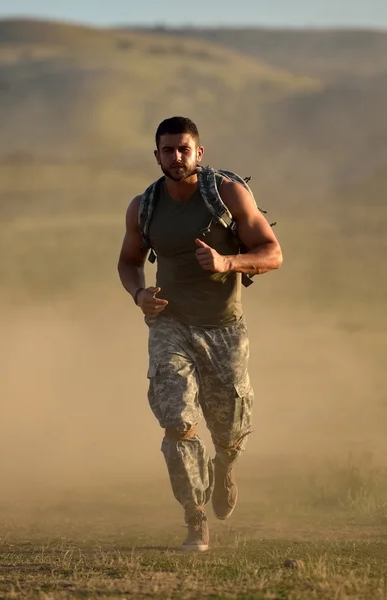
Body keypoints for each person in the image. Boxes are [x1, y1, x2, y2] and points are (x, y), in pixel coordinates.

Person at [117, 116, 282, 552]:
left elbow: (272, 253)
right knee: (177, 422)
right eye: (167, 150)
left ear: (198, 153)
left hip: (224, 327)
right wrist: (139, 294)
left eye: (183, 149)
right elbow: (128, 260)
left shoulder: (226, 195)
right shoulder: (144, 206)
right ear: (157, 156)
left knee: (228, 427)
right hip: (170, 325)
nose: (176, 157)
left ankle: (225, 463)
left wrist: (229, 263)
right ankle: (195, 520)